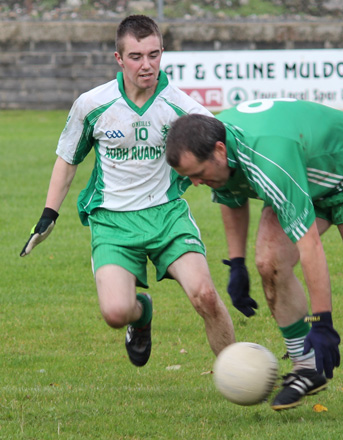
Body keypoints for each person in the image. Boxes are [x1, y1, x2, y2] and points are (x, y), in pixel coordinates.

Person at [165, 98, 343, 420]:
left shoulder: (266, 160)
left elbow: (309, 247)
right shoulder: (217, 149)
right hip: (301, 176)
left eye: (197, 174)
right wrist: (236, 264)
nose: (194, 183)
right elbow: (231, 196)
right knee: (269, 263)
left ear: (221, 151)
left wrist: (322, 324)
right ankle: (306, 368)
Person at [20, 15, 235, 367]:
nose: (147, 65)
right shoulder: (93, 104)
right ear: (119, 59)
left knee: (206, 296)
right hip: (113, 223)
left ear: (162, 53)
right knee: (116, 312)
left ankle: (238, 373)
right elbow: (67, 159)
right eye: (136, 56)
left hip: (166, 215)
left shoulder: (181, 106)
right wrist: (48, 215)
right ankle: (141, 314)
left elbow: (223, 145)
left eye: (154, 54)